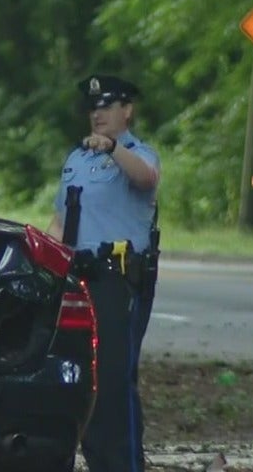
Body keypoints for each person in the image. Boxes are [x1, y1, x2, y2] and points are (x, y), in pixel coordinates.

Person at [48, 75, 160, 472]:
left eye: (107, 106)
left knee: (112, 379)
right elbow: (61, 222)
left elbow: (146, 178)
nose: (98, 114)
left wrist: (113, 148)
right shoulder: (77, 159)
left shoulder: (137, 153)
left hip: (118, 279)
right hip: (77, 277)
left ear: (126, 111)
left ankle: (122, 464)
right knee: (73, 375)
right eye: (94, 107)